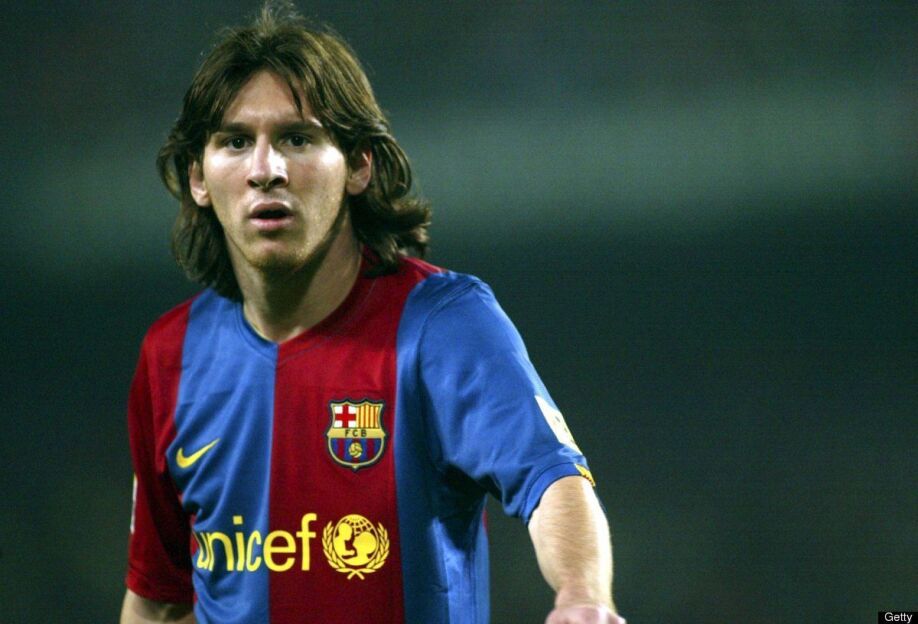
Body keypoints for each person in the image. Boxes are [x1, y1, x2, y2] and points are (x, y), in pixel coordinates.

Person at [120, 3, 625, 623]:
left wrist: (581, 596)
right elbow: (159, 599)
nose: (265, 170)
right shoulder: (170, 355)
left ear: (359, 164)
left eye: (297, 138)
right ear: (199, 177)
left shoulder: (442, 325)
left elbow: (553, 481)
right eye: (235, 142)